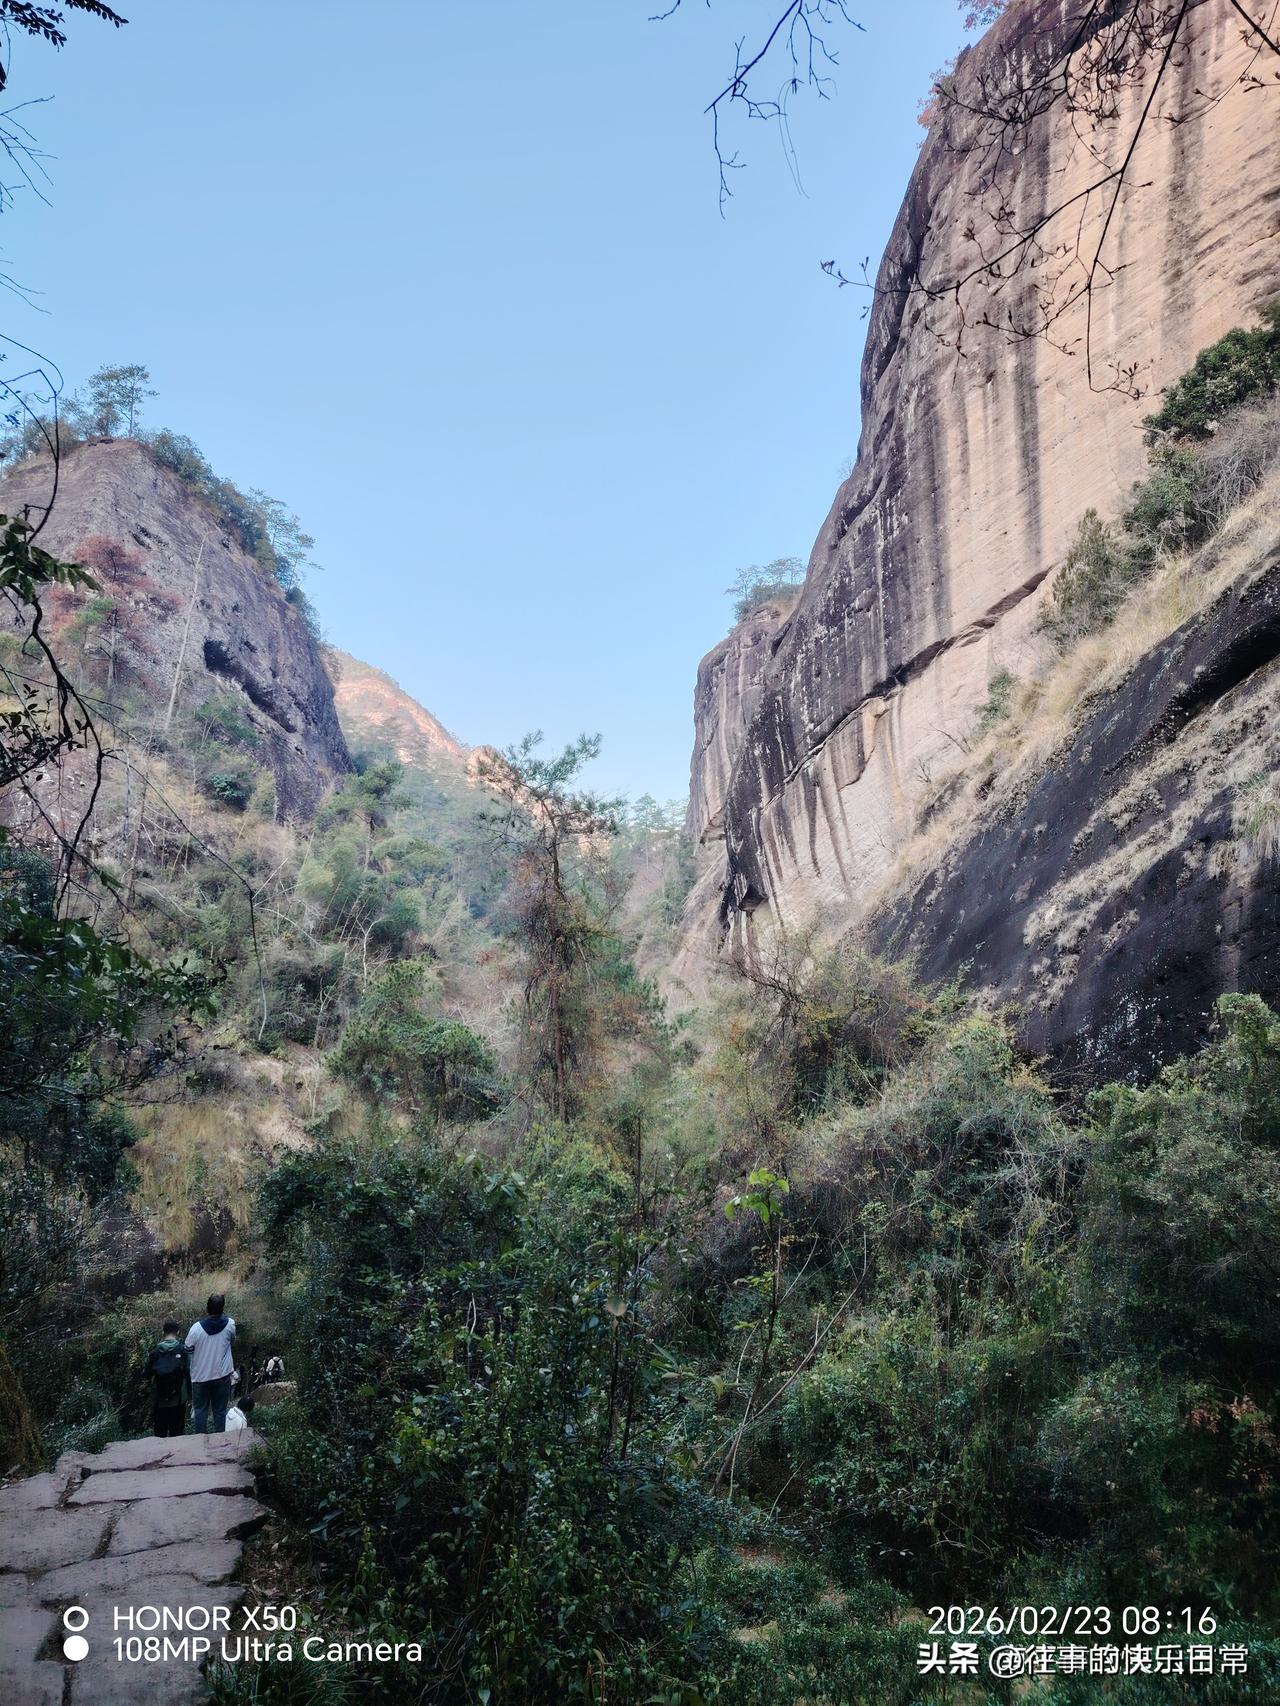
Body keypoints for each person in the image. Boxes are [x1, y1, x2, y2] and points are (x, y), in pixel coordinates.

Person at [185, 1292, 237, 1434]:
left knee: (200, 1411)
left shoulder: (196, 1329)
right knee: (220, 1411)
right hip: (222, 1375)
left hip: (200, 1377)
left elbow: (188, 1349)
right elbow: (232, 1341)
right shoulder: (230, 1324)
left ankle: (200, 1442)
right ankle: (220, 1441)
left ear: (207, 1308)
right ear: (222, 1308)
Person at [144, 1319, 189, 1437]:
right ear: (178, 1332)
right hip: (179, 1398)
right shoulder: (183, 1350)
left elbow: (146, 1374)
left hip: (160, 1400)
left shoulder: (154, 1353)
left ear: (163, 1332)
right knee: (177, 1433)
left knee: (160, 1434)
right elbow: (189, 1371)